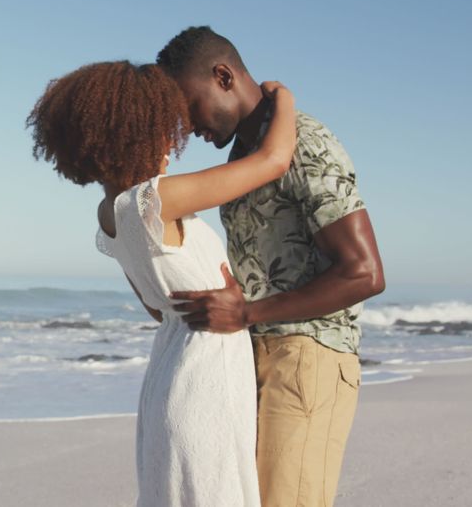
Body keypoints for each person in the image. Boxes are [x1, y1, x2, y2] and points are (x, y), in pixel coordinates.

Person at [27, 59, 298, 506]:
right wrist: (283, 97)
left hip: (170, 373)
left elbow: (158, 307)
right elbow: (272, 160)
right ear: (136, 134)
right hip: (206, 376)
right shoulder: (157, 199)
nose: (175, 141)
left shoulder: (110, 212)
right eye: (164, 128)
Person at [157, 26, 385, 507]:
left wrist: (246, 314)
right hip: (259, 355)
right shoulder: (251, 154)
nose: (188, 128)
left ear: (222, 77)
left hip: (310, 355)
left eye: (188, 108)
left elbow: (364, 272)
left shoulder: (304, 142)